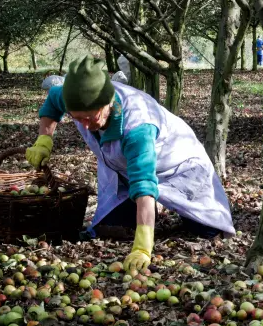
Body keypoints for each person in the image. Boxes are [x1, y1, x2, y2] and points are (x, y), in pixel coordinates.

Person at [26, 55, 235, 271]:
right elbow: (52, 101)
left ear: (107, 104)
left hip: (177, 164)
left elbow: (143, 183)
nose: (85, 127)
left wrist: (143, 246)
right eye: (78, 119)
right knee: (113, 227)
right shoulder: (72, 95)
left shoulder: (138, 128)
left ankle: (185, 216)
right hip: (122, 166)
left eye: (91, 118)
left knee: (207, 231)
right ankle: (143, 213)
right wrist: (44, 139)